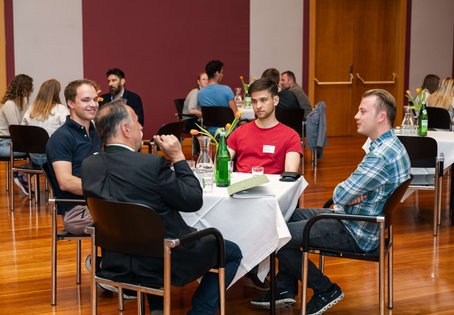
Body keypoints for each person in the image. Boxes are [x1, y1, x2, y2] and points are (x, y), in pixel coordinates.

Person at [251, 89, 411, 314]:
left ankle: (326, 289)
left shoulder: (380, 156)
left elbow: (341, 194)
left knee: (277, 235)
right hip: (361, 220)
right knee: (285, 217)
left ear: (381, 117)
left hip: (356, 230)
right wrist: (351, 195)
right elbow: (349, 193)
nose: (356, 115)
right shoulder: (391, 145)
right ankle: (285, 287)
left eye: (363, 111)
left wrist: (347, 195)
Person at [81, 100, 242, 315]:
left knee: (145, 235)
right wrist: (178, 157)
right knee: (230, 250)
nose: (141, 127)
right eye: (137, 122)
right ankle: (200, 312)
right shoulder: (150, 165)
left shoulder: (89, 166)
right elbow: (193, 200)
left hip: (115, 261)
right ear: (125, 129)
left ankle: (157, 307)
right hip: (164, 260)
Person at [46, 79, 101, 235]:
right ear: (70, 103)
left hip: (100, 203)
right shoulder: (61, 138)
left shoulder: (97, 133)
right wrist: (107, 189)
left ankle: (108, 260)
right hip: (77, 210)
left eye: (95, 99)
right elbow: (66, 182)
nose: (93, 104)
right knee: (133, 218)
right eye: (86, 100)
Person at [227, 78, 302, 174]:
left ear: (275, 100)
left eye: (263, 100)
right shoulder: (239, 132)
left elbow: (290, 174)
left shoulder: (291, 136)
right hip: (241, 187)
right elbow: (221, 163)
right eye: (254, 101)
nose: (258, 106)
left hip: (274, 187)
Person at [22, 79, 69, 166]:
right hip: (53, 158)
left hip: (33, 157)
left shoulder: (31, 108)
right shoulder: (61, 109)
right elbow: (70, 131)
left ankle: (25, 176)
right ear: (56, 93)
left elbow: (22, 129)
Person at [0, 74, 34, 194]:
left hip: (10, 142)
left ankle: (22, 175)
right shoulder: (10, 105)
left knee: (38, 148)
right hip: (4, 144)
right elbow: (16, 129)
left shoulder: (17, 104)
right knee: (37, 149)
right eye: (29, 89)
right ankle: (21, 174)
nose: (30, 92)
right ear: (23, 88)